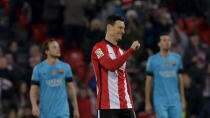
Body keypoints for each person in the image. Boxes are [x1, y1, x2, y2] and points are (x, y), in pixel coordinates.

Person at [91, 14, 140, 118]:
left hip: (126, 105)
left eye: (124, 28)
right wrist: (131, 50)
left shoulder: (122, 52)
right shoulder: (98, 49)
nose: (123, 31)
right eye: (120, 27)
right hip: (107, 106)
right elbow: (110, 65)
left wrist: (131, 104)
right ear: (109, 27)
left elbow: (125, 81)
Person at [29, 39, 79, 118]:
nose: (58, 49)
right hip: (45, 112)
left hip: (63, 112)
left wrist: (76, 108)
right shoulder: (38, 69)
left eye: (58, 47)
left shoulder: (66, 67)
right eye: (54, 47)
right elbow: (33, 89)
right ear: (47, 51)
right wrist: (34, 105)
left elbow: (71, 88)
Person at [145, 33, 186, 118]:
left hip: (175, 100)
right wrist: (147, 102)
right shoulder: (152, 60)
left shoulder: (177, 58)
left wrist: (183, 99)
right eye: (164, 40)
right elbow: (148, 82)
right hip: (160, 100)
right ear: (158, 44)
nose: (167, 42)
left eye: (169, 40)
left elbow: (181, 80)